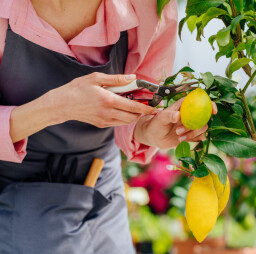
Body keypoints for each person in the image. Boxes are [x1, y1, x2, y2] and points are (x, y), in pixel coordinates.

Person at [0, 0, 216, 253]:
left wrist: (148, 129)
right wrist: (59, 107)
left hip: (101, 191)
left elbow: (137, 102)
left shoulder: (149, 7)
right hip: (15, 194)